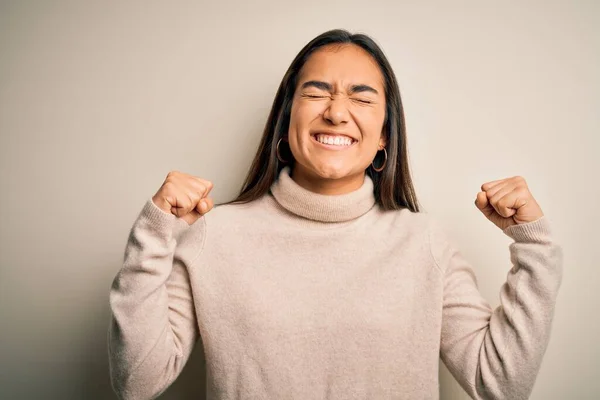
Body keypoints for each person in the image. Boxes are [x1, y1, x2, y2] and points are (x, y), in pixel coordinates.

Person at [108, 29, 563, 400]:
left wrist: (536, 246)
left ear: (385, 135)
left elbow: (500, 383)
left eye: (362, 98)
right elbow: (137, 383)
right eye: (316, 92)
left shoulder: (424, 242)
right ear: (287, 121)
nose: (336, 112)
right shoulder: (215, 236)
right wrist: (154, 234)